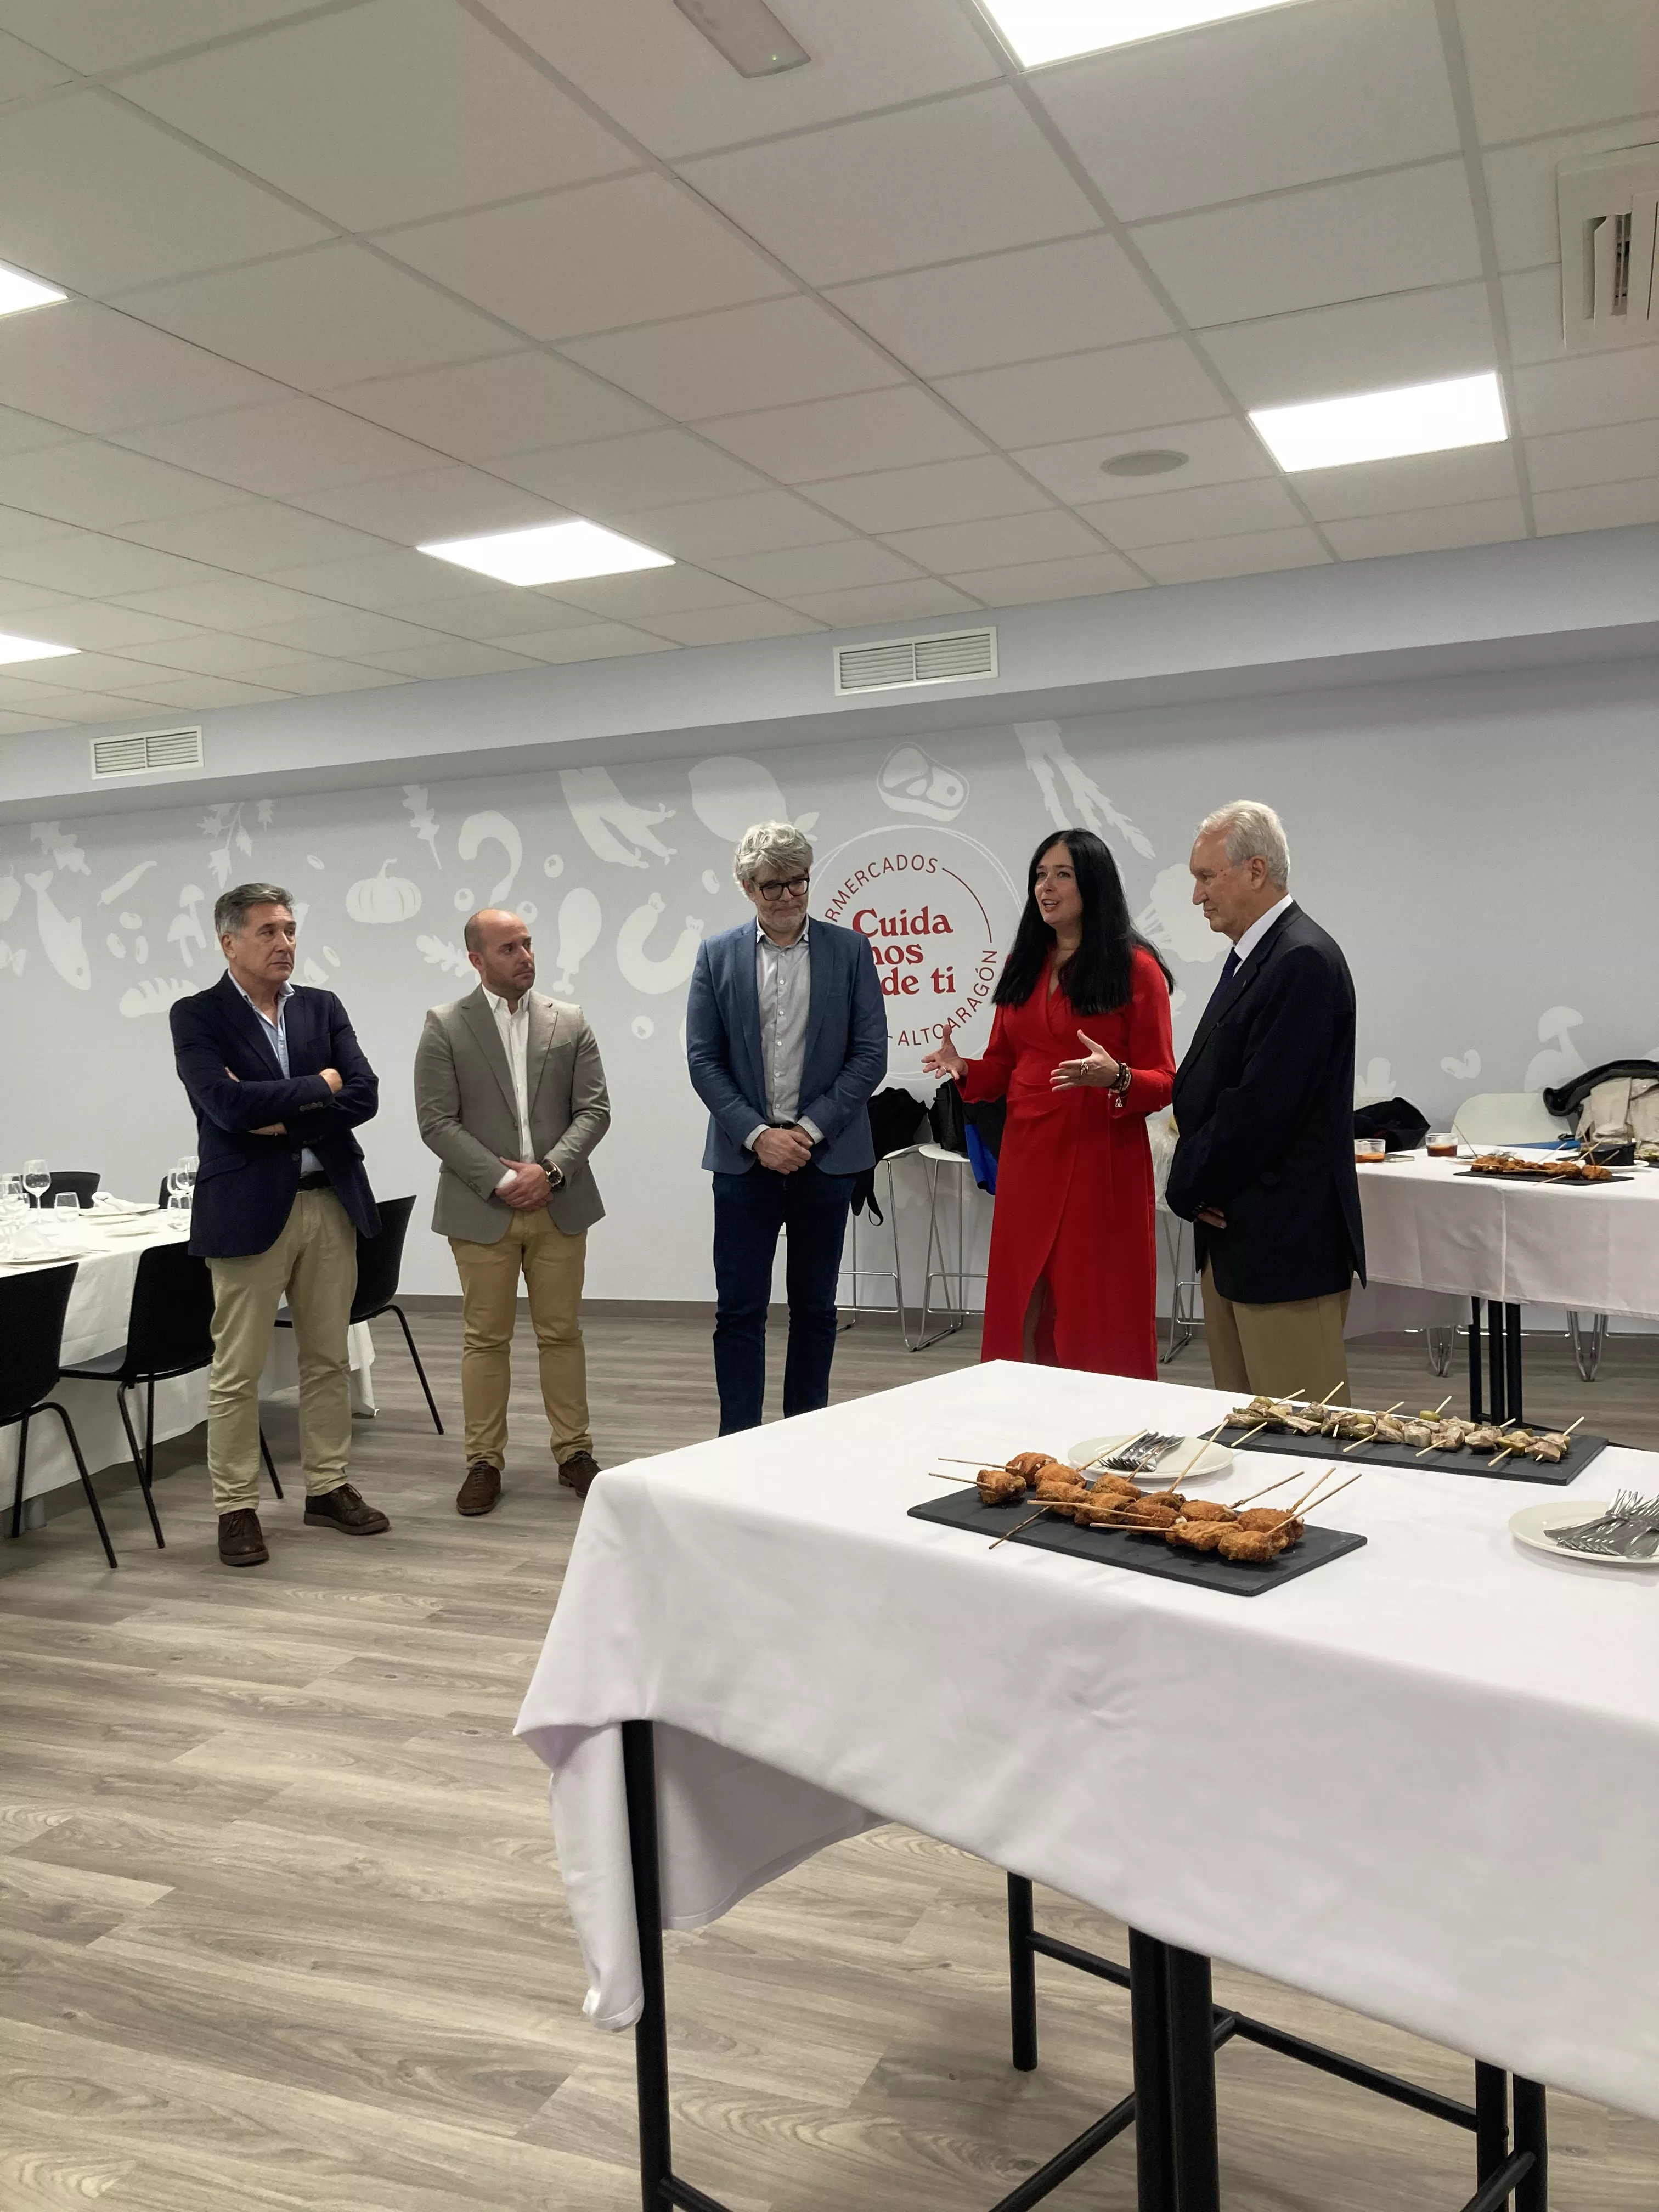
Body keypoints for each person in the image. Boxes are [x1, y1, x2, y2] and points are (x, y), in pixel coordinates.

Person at [170, 883, 388, 1570]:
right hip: (246, 1210)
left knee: (328, 1357)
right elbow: (226, 1106)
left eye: (290, 929)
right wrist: (320, 1086)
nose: (285, 943)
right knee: (238, 1369)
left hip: (329, 1202)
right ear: (229, 942)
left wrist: (287, 1116)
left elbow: (366, 1093)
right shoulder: (197, 1015)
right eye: (268, 931)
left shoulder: (323, 1006)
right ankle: (236, 1507)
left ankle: (327, 1487)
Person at [923, 830, 1174, 1376]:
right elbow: (1004, 1064)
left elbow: (1163, 1081)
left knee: (1096, 1305)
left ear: (1093, 884)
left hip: (1100, 1160)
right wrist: (965, 1068)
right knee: (1022, 1298)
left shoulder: (1136, 968)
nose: (1046, 887)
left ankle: (1102, 1416)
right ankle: (1020, 1413)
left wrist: (1116, 1076)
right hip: (1029, 1157)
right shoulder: (1025, 962)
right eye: (1040, 875)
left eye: (1062, 875)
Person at [686, 822, 887, 1433]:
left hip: (825, 1158)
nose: (789, 896)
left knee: (816, 1310)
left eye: (798, 881)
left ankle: (805, 1437)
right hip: (744, 1160)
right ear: (748, 888)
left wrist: (808, 1131)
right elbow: (704, 1060)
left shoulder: (849, 951)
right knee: (739, 1311)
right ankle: (737, 1442)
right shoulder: (717, 955)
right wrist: (759, 1135)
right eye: (773, 886)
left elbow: (869, 1056)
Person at [1165, 800, 1365, 1403]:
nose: (1197, 896)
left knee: (1300, 1433)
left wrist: (1184, 1185)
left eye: (1207, 877)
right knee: (1245, 1426)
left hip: (1283, 1245)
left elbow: (1258, 1112)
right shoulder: (1259, 955)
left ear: (1256, 871)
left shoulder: (1300, 959)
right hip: (1239, 1237)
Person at [414, 907, 610, 1514]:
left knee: (562, 1333)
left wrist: (547, 1172)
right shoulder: (445, 1025)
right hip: (482, 1208)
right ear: (477, 959)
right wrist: (504, 1179)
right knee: (485, 1339)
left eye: (527, 944)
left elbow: (595, 1110)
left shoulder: (569, 1020)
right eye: (509, 948)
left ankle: (574, 1452)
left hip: (559, 1201)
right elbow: (436, 1121)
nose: (526, 956)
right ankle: (483, 1462)